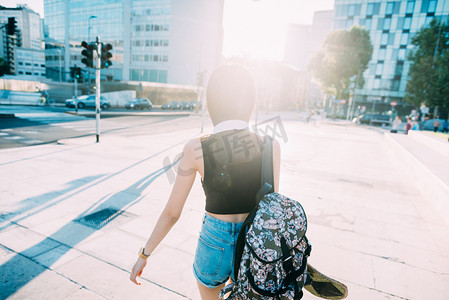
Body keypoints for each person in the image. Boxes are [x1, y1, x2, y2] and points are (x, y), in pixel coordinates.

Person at [129, 64, 281, 299]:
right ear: (250, 100)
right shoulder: (270, 145)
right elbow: (270, 207)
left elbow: (172, 213)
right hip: (254, 243)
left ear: (213, 102)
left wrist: (144, 255)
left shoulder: (195, 148)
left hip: (214, 243)